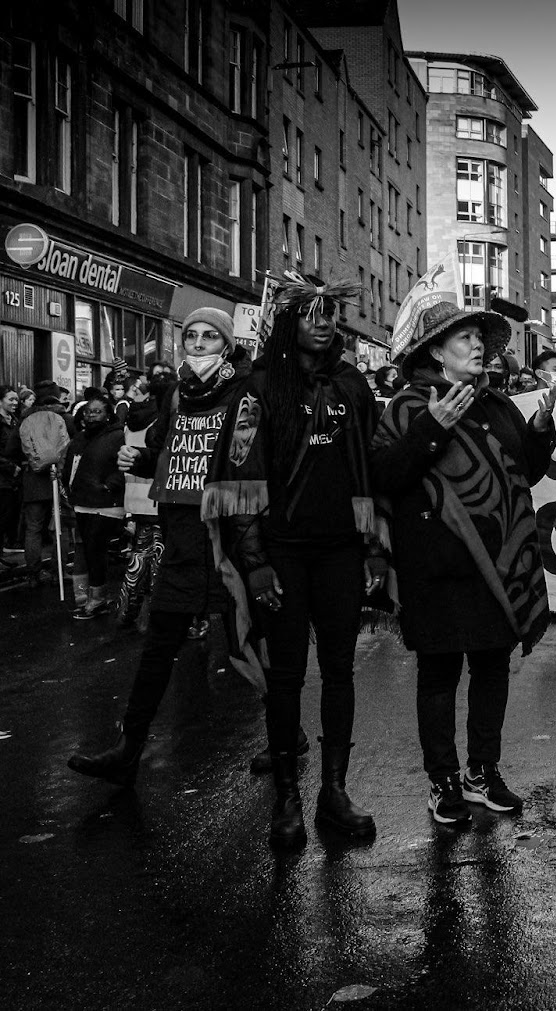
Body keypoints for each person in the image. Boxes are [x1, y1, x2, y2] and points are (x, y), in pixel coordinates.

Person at [205, 274, 385, 847]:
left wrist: (373, 548)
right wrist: (254, 562)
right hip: (280, 555)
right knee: (286, 676)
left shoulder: (354, 386)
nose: (323, 320)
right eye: (310, 311)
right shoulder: (257, 388)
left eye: (330, 310)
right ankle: (287, 796)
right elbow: (239, 477)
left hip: (339, 553)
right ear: (288, 321)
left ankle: (334, 792)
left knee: (339, 671)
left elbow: (368, 474)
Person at [371, 300, 556, 827]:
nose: (478, 346)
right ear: (436, 351)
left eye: (480, 338)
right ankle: (443, 780)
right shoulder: (407, 407)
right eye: (464, 339)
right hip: (435, 564)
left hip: (497, 566)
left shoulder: (498, 405)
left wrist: (540, 429)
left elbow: (525, 472)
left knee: (491, 669)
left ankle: (483, 771)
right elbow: (385, 474)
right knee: (439, 673)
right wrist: (432, 426)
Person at [67, 309, 253, 787]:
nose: (198, 342)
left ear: (227, 345)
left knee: (249, 643)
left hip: (229, 536)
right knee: (159, 646)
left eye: (210, 335)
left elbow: (246, 457)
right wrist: (143, 457)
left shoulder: (244, 391)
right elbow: (174, 452)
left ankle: (287, 738)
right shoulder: (176, 394)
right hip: (182, 537)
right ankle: (129, 747)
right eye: (191, 335)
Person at [62, 393, 126, 619]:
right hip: (82, 502)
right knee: (89, 551)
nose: (91, 415)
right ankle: (93, 596)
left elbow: (123, 467)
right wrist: (68, 489)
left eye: (97, 411)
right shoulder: (79, 438)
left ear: (108, 414)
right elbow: (69, 465)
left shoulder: (118, 436)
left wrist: (109, 486)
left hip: (106, 504)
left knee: (96, 550)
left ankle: (97, 599)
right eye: (89, 411)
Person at [117, 374, 163, 629]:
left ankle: (127, 609)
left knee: (139, 556)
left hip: (133, 501)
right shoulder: (158, 421)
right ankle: (160, 614)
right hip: (155, 500)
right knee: (159, 560)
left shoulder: (128, 422)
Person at [16, 382, 72, 585]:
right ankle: (59, 571)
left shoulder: (26, 419)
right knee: (60, 527)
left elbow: (10, 449)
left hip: (33, 480)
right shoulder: (65, 418)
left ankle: (33, 575)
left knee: (33, 528)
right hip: (58, 478)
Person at [0, 384, 22, 557]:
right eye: (11, 399)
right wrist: (11, 467)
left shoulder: (16, 420)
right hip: (4, 475)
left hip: (15, 476)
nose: (15, 403)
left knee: (11, 513)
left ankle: (7, 544)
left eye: (17, 399)